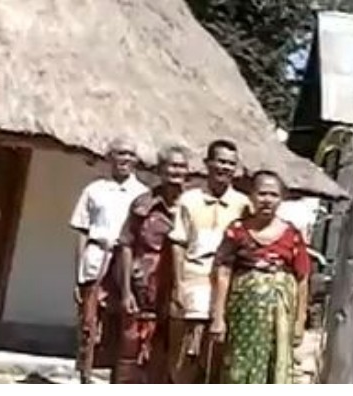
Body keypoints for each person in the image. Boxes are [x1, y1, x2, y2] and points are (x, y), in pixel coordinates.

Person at [210, 170, 311, 384]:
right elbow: (223, 272)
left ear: (281, 199)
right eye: (262, 193)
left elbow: (302, 277)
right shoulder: (237, 231)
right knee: (238, 367)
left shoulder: (292, 234)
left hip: (280, 318)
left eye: (273, 195)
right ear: (252, 196)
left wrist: (300, 321)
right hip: (243, 316)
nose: (267, 200)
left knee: (274, 366)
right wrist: (218, 317)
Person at [168, 139, 252, 383]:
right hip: (193, 278)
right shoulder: (189, 200)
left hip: (228, 285)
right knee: (186, 353)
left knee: (217, 354)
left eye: (230, 163)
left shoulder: (243, 205)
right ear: (207, 163)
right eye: (220, 161)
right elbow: (178, 244)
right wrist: (178, 285)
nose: (224, 167)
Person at [70, 138, 149, 382]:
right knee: (89, 323)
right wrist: (78, 274)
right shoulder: (94, 190)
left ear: (136, 160)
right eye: (120, 153)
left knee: (124, 325)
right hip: (97, 257)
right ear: (110, 157)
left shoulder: (143, 194)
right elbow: (82, 232)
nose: (125, 159)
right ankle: (85, 376)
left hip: (127, 263)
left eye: (130, 154)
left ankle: (119, 379)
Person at [113, 145, 190, 384]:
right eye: (171, 166)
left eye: (181, 166)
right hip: (143, 289)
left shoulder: (192, 205)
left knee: (169, 357)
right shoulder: (143, 205)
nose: (176, 171)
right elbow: (126, 244)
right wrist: (126, 291)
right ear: (160, 170)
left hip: (179, 292)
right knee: (130, 355)